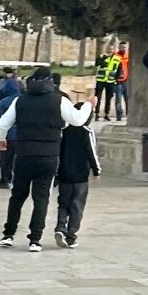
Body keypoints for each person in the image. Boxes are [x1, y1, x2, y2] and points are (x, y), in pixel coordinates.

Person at [0, 67, 89, 250]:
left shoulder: (20, 100)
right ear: (50, 81)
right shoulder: (59, 100)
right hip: (48, 155)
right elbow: (77, 120)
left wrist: (1, 140)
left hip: (24, 154)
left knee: (17, 195)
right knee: (41, 198)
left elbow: (4, 123)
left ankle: (8, 234)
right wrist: (88, 105)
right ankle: (35, 239)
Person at [53, 99, 100, 248]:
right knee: (77, 205)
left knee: (63, 203)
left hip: (64, 174)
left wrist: (56, 173)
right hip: (80, 175)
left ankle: (60, 227)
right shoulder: (87, 132)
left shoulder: (63, 132)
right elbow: (91, 151)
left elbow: (58, 154)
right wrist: (96, 170)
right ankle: (71, 235)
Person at [0, 69, 22, 188]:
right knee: (18, 160)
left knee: (5, 160)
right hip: (21, 136)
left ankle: (4, 180)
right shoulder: (23, 100)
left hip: (6, 136)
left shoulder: (3, 102)